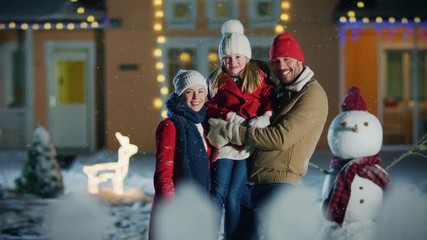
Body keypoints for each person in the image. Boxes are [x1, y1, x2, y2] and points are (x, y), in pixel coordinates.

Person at [207, 32, 329, 239]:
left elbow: (279, 138)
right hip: (255, 179)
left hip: (278, 183)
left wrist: (233, 131)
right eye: (276, 61)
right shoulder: (281, 89)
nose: (281, 66)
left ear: (300, 59)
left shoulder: (311, 94)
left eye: (286, 60)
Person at [206, 19, 275, 240]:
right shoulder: (216, 79)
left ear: (246, 56)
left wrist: (265, 117)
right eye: (227, 58)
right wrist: (228, 115)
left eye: (237, 57)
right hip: (227, 140)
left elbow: (269, 99)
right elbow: (210, 105)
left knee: (236, 194)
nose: (232, 62)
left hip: (248, 142)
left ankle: (232, 235)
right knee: (219, 192)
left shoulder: (259, 76)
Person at [148, 69, 212, 240]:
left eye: (200, 91)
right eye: (189, 92)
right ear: (180, 95)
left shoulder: (204, 125)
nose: (196, 97)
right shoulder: (170, 125)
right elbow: (164, 172)